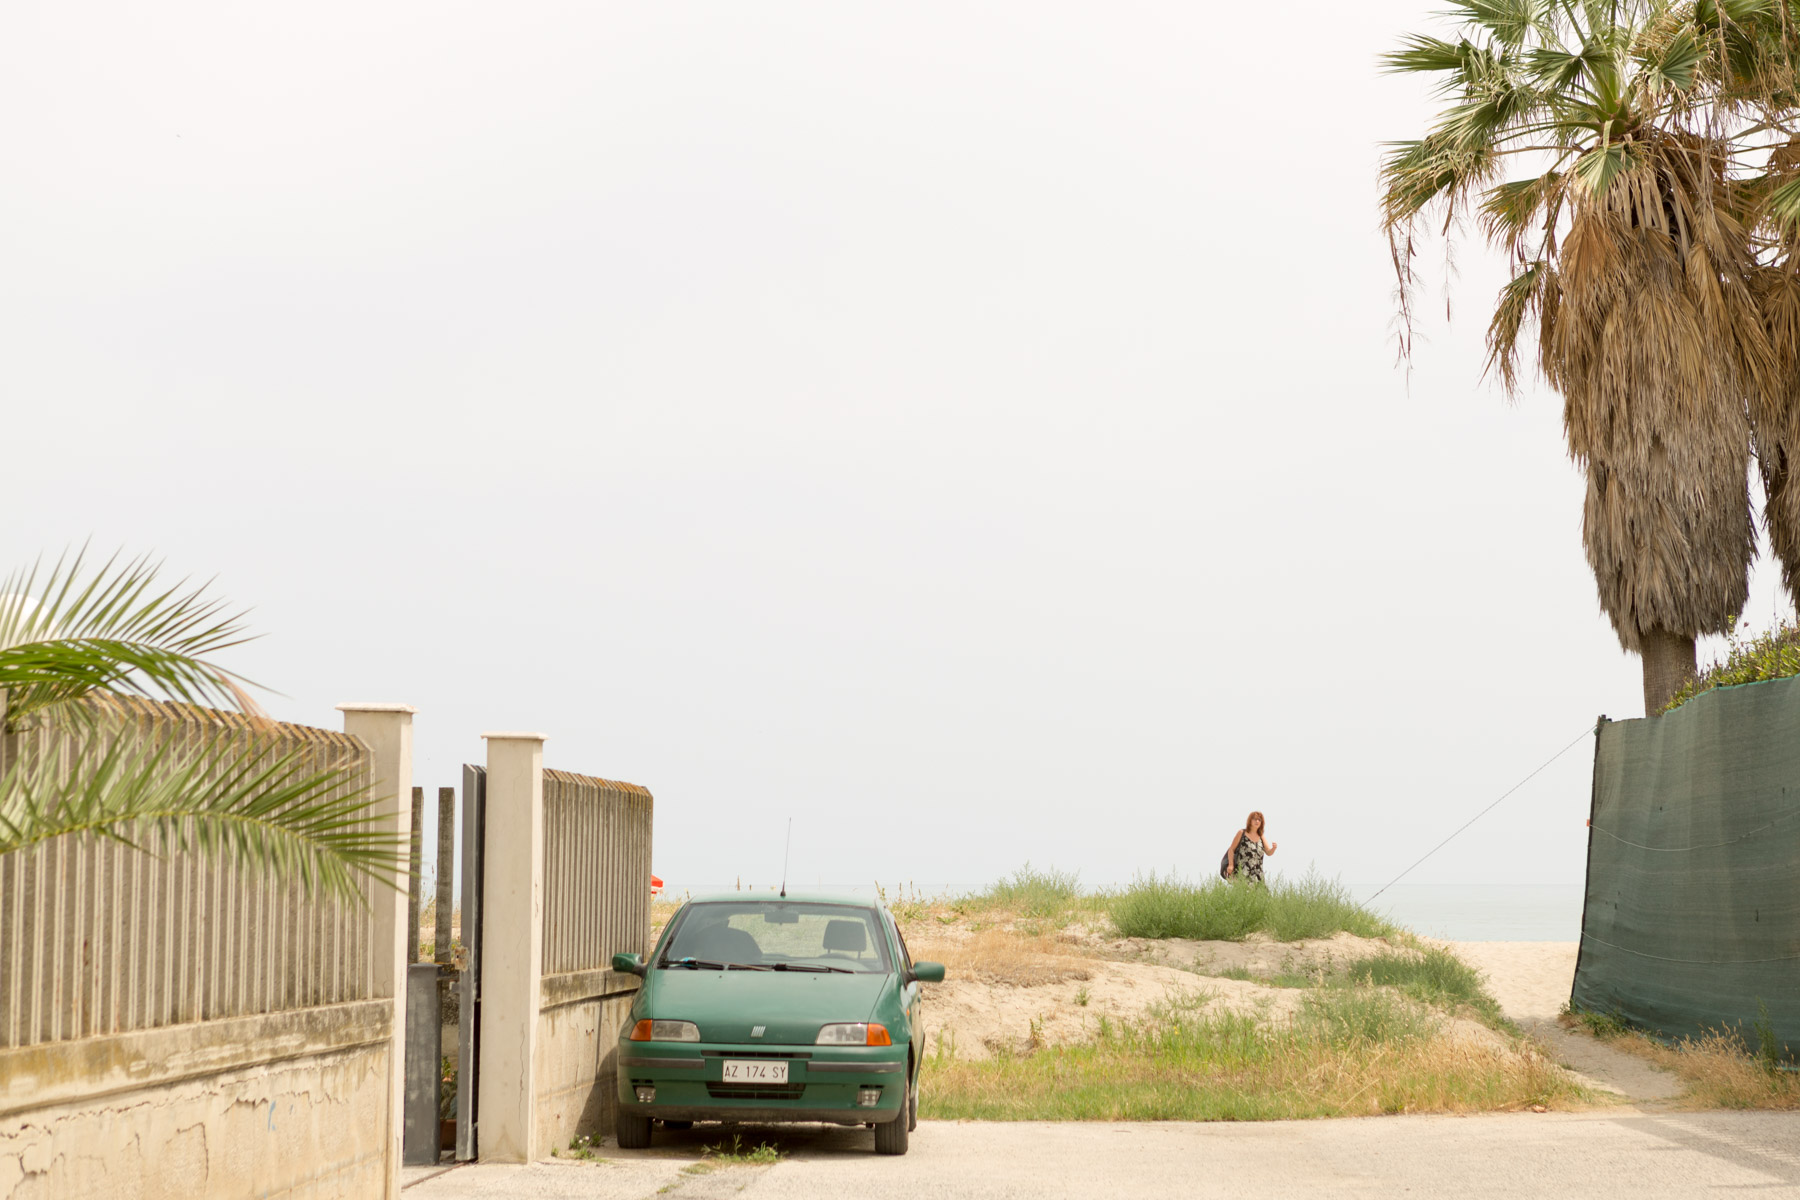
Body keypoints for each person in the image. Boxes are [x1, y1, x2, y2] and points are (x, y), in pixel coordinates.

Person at [1224, 811, 1277, 884]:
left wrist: (1273, 848)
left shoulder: (1261, 836)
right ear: (1250, 821)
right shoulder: (1241, 833)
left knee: (1262, 895)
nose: (1257, 821)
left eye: (1259, 820)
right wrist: (1231, 865)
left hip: (1258, 876)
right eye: (1255, 819)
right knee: (1244, 894)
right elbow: (1231, 850)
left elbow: (1268, 852)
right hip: (1243, 874)